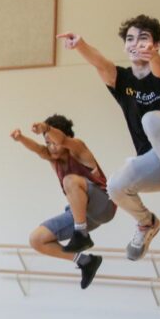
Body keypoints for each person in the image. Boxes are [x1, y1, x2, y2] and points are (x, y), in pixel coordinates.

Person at [58, 14, 160, 261]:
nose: (135, 43)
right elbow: (101, 64)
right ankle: (146, 223)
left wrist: (154, 57)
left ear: (157, 44)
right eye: (130, 39)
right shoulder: (123, 81)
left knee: (151, 119)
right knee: (115, 187)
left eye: (143, 38)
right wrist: (80, 45)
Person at [10, 115, 115, 289]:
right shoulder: (53, 159)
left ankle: (80, 234)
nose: (51, 147)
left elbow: (63, 139)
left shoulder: (78, 149)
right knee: (37, 239)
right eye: (48, 143)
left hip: (104, 205)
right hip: (81, 214)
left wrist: (46, 128)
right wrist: (21, 138)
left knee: (70, 181)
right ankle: (86, 261)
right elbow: (38, 149)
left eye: (54, 142)